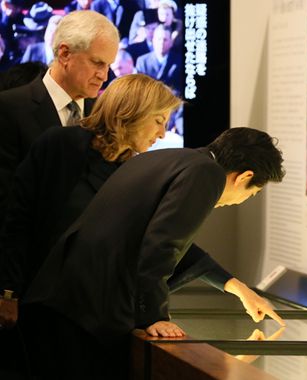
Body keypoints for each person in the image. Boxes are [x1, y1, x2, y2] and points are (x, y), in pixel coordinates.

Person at [22, 127, 286, 378]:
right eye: (252, 194)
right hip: (89, 310)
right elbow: (162, 244)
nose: (242, 200)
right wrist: (153, 316)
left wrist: (239, 288)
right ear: (245, 177)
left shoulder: (172, 158)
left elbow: (167, 240)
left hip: (63, 294)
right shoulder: (207, 174)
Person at [0, 73, 182, 378]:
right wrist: (8, 293)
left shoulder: (135, 168)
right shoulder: (60, 144)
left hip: (100, 319)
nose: (162, 134)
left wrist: (230, 283)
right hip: (46, 309)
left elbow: (155, 238)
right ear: (132, 112)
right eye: (158, 121)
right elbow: (18, 221)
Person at [0, 10, 119, 227]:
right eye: (97, 63)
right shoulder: (9, 108)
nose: (104, 75)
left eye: (109, 65)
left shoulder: (103, 115)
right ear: (64, 54)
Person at [135, 23, 182, 92]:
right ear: (153, 41)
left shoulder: (179, 60)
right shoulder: (142, 61)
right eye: (159, 39)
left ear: (171, 43)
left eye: (165, 39)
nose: (161, 42)